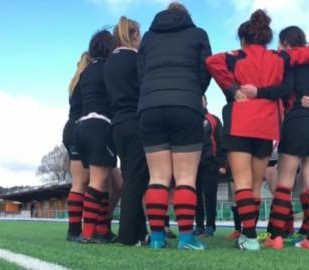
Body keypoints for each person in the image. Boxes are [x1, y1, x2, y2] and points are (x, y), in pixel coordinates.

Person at [206, 10, 309, 251]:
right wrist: (288, 54)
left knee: (242, 182)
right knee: (256, 184)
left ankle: (247, 236)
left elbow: (211, 61)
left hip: (240, 122)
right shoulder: (279, 57)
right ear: (266, 37)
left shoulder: (235, 56)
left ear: (243, 38)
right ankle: (251, 235)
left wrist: (232, 88)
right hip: (267, 126)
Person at [240, 26, 309, 250]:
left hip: (298, 122)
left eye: (280, 44)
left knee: (285, 181)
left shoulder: (291, 63)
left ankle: (276, 237)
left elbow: (282, 89)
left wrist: (258, 92)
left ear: (287, 45)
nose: (278, 48)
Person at [138, 2, 212, 250]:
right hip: (185, 105)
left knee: (157, 177)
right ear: (186, 16)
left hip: (149, 106)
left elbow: (141, 73)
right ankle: (186, 238)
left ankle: (157, 238)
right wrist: (194, 91)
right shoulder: (199, 33)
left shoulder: (148, 37)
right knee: (185, 177)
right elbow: (206, 70)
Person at [105, 16, 149, 246]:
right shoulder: (137, 60)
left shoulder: (109, 63)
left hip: (118, 125)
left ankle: (139, 233)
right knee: (136, 180)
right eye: (139, 36)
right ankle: (128, 236)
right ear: (133, 36)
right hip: (135, 121)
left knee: (132, 176)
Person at [75, 29, 117, 244]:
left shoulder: (86, 70)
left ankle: (101, 230)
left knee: (102, 180)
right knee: (99, 181)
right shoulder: (109, 67)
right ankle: (88, 232)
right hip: (101, 124)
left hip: (82, 126)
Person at [63, 52, 91, 242]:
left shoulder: (74, 82)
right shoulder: (89, 80)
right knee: (85, 181)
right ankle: (76, 230)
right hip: (83, 128)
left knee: (80, 181)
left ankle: (74, 229)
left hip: (70, 129)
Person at [193, 95, 226, 237]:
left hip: (210, 164)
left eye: (202, 99)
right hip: (192, 165)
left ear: (206, 101)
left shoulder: (214, 120)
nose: (200, 101)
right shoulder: (190, 119)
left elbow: (221, 143)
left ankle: (210, 225)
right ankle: (199, 225)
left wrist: (220, 163)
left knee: (210, 196)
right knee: (196, 197)